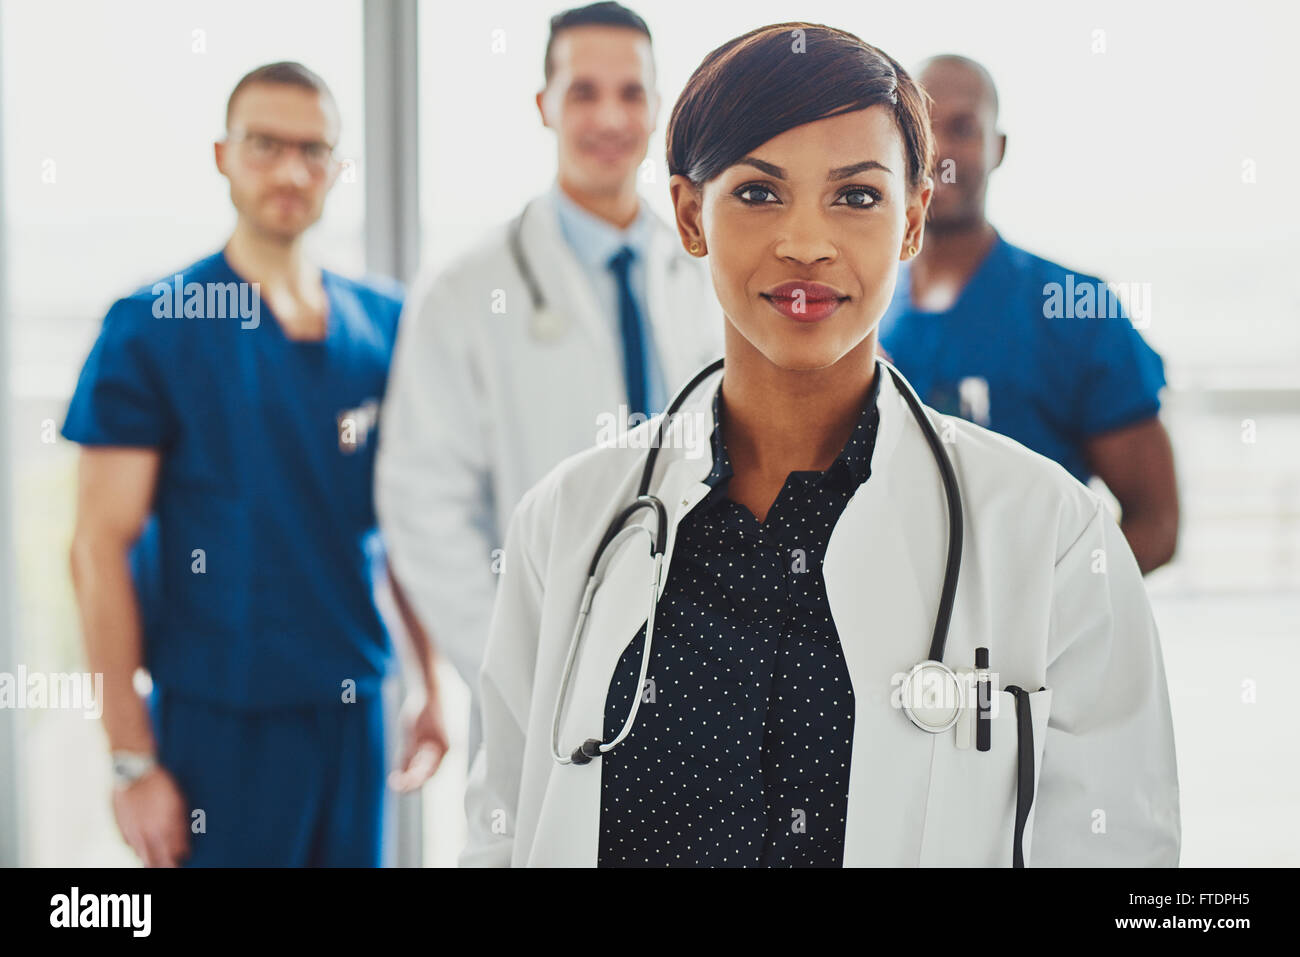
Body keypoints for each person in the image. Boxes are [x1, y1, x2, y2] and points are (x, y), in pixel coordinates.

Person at [461, 23, 1180, 867]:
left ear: (912, 219)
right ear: (692, 215)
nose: (806, 241)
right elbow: (499, 832)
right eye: (759, 194)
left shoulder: (1053, 535)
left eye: (857, 195)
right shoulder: (566, 524)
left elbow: (1123, 852)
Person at [65, 62, 448, 867]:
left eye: (313, 150)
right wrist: (131, 760)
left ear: (338, 168)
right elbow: (97, 547)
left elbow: (407, 523)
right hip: (218, 723)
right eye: (265, 144)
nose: (289, 169)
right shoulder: (154, 325)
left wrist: (431, 684)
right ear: (222, 155)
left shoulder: (385, 323)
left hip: (352, 707)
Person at [375, 1, 720, 763]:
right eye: (583, 92)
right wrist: (520, 668)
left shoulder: (706, 273)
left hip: (705, 663)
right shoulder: (467, 292)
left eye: (631, 93)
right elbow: (421, 503)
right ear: (544, 106)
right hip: (542, 679)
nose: (609, 116)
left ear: (657, 108)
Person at [878, 54, 1179, 575]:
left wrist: (1043, 617)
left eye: (964, 128)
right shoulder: (858, 312)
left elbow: (1156, 523)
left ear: (998, 149)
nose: (942, 151)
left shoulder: (1076, 309)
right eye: (923, 128)